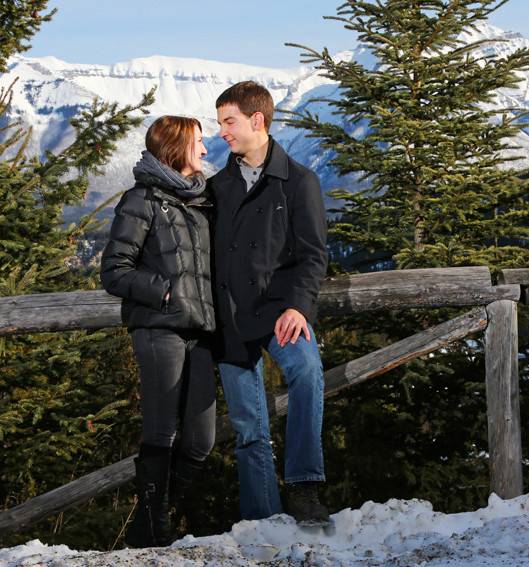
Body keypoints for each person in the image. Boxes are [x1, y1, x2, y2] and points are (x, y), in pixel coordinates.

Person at [209, 81, 329, 524]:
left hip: (281, 312)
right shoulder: (218, 187)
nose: (221, 131)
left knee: (307, 372)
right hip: (230, 319)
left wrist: (298, 307)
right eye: (220, 122)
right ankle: (263, 521)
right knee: (248, 429)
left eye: (229, 121)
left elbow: (313, 254)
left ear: (256, 120)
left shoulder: (299, 181)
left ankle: (304, 486)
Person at [100, 115, 216, 547]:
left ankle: (172, 510)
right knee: (160, 431)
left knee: (201, 438)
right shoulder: (141, 199)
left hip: (201, 332)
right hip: (159, 329)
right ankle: (153, 527)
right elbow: (114, 271)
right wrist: (165, 292)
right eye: (198, 142)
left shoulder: (202, 199)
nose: (205, 151)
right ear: (176, 147)